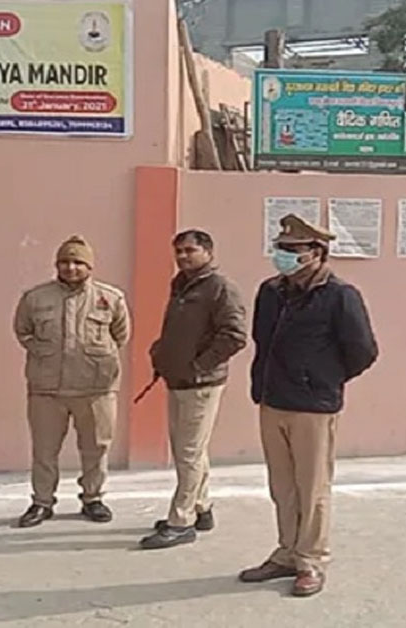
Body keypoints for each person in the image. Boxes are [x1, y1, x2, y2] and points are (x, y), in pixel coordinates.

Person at [237, 214, 379, 597]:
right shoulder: (270, 291)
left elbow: (363, 350)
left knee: (312, 488)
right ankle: (286, 552)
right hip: (272, 400)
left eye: (292, 249)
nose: (282, 255)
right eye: (280, 248)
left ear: (316, 253)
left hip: (313, 406)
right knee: (282, 486)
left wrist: (322, 379)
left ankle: (311, 560)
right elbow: (262, 342)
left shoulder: (339, 295)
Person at [139, 229, 248, 550]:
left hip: (201, 384)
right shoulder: (182, 285)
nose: (183, 256)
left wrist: (199, 366)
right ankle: (202, 507)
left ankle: (181, 521)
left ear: (208, 252)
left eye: (190, 250)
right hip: (177, 380)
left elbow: (234, 336)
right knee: (190, 450)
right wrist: (161, 353)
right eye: (179, 251)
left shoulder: (220, 288)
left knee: (188, 453)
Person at [13, 235, 130, 528]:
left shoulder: (110, 298)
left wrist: (96, 357)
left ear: (89, 266)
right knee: (44, 450)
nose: (71, 268)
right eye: (64, 262)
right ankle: (42, 502)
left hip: (95, 388)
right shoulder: (35, 298)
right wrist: (43, 351)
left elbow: (121, 335)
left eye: (78, 262)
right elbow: (23, 331)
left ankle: (93, 498)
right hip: (47, 388)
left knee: (96, 448)